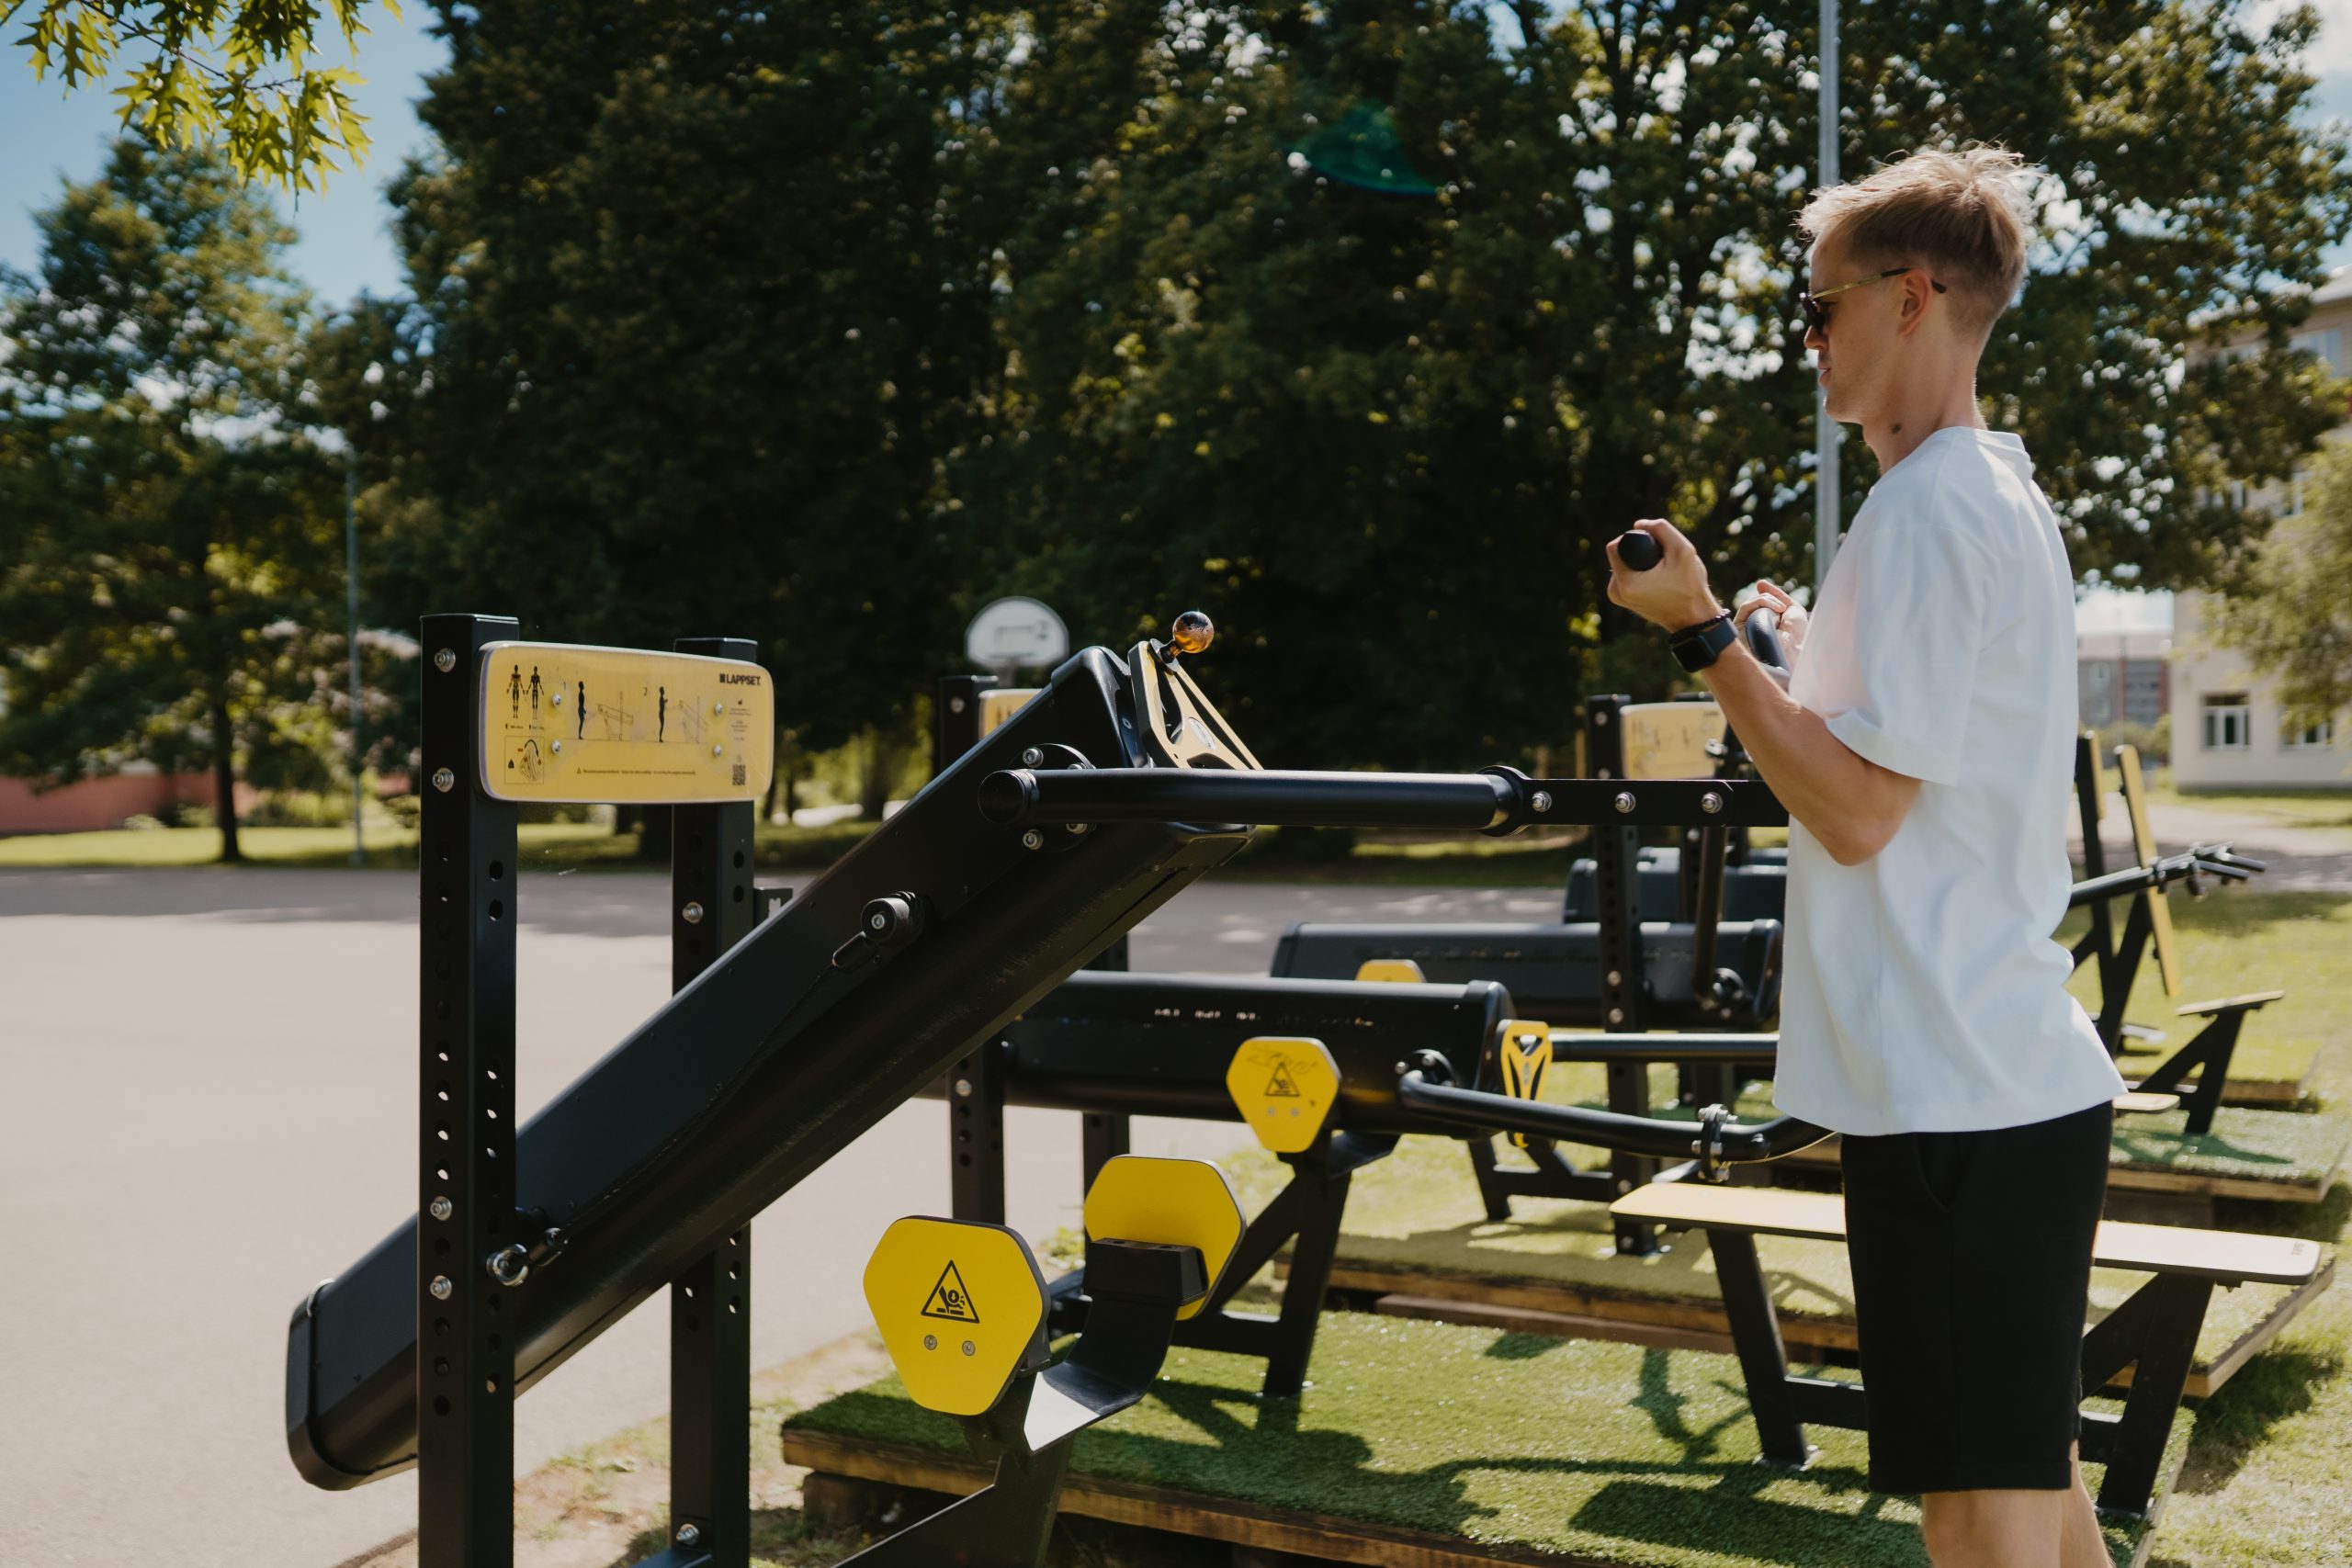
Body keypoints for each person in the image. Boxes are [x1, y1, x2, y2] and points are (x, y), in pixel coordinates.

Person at [1604, 146, 2126, 1568]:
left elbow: (1854, 813)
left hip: (1959, 1094)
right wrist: (1789, 658)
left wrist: (1706, 635)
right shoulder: (1991, 491)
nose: (1806, 340)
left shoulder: (1926, 509)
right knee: (2036, 1499)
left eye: (1818, 307)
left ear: (1910, 299)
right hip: (2000, 1081)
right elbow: (1896, 763)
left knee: (1981, 1524)